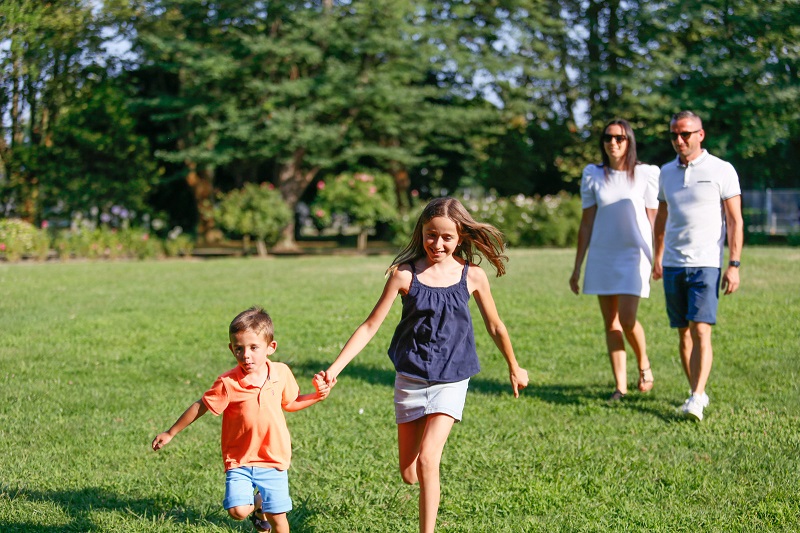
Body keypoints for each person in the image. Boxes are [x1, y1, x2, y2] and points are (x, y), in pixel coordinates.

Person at [322, 197, 529, 533]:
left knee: (430, 459)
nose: (438, 244)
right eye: (432, 235)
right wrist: (335, 368)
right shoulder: (404, 274)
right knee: (410, 472)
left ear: (460, 237)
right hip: (412, 377)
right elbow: (371, 325)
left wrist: (514, 366)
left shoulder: (472, 276)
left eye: (447, 237)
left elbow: (495, 326)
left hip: (452, 377)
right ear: (421, 232)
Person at [151, 307, 329, 533]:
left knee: (278, 519)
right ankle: (257, 506)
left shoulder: (281, 373)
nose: (246, 355)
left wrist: (316, 396)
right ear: (231, 349)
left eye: (254, 348)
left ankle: (264, 506)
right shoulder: (228, 382)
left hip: (273, 457)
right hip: (240, 459)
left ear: (270, 348)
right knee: (237, 511)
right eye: (239, 349)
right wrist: (171, 432)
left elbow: (291, 403)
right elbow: (201, 406)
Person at [653, 110, 743, 422]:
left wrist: (734, 263)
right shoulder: (665, 172)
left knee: (701, 329)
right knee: (683, 333)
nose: (679, 140)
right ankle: (697, 391)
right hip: (674, 263)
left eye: (686, 134)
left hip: (706, 263)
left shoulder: (722, 169)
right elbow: (662, 218)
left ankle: (695, 397)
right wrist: (657, 256)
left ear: (700, 135)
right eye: (674, 135)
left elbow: (734, 220)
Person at [570, 119, 659, 401]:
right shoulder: (593, 174)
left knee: (628, 318)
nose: (613, 143)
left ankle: (643, 363)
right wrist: (577, 267)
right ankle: (620, 386)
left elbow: (655, 220)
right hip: (602, 254)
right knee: (611, 323)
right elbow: (586, 223)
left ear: (629, 141)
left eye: (620, 138)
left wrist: (658, 257)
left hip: (635, 254)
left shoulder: (646, 173)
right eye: (608, 138)